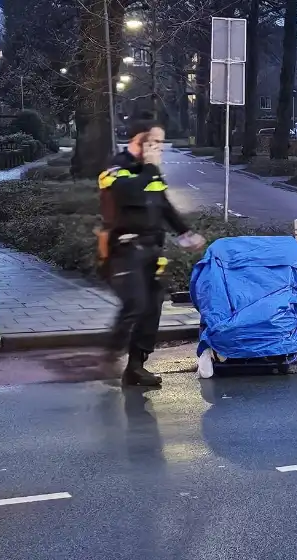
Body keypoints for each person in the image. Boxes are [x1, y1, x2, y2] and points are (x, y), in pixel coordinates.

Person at [98, 114, 204, 387]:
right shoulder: (117, 166)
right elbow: (127, 193)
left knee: (151, 310)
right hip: (126, 249)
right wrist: (148, 168)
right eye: (155, 141)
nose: (159, 147)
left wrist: (185, 232)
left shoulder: (151, 170)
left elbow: (163, 204)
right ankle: (110, 355)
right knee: (136, 303)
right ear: (139, 140)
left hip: (153, 250)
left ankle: (135, 367)